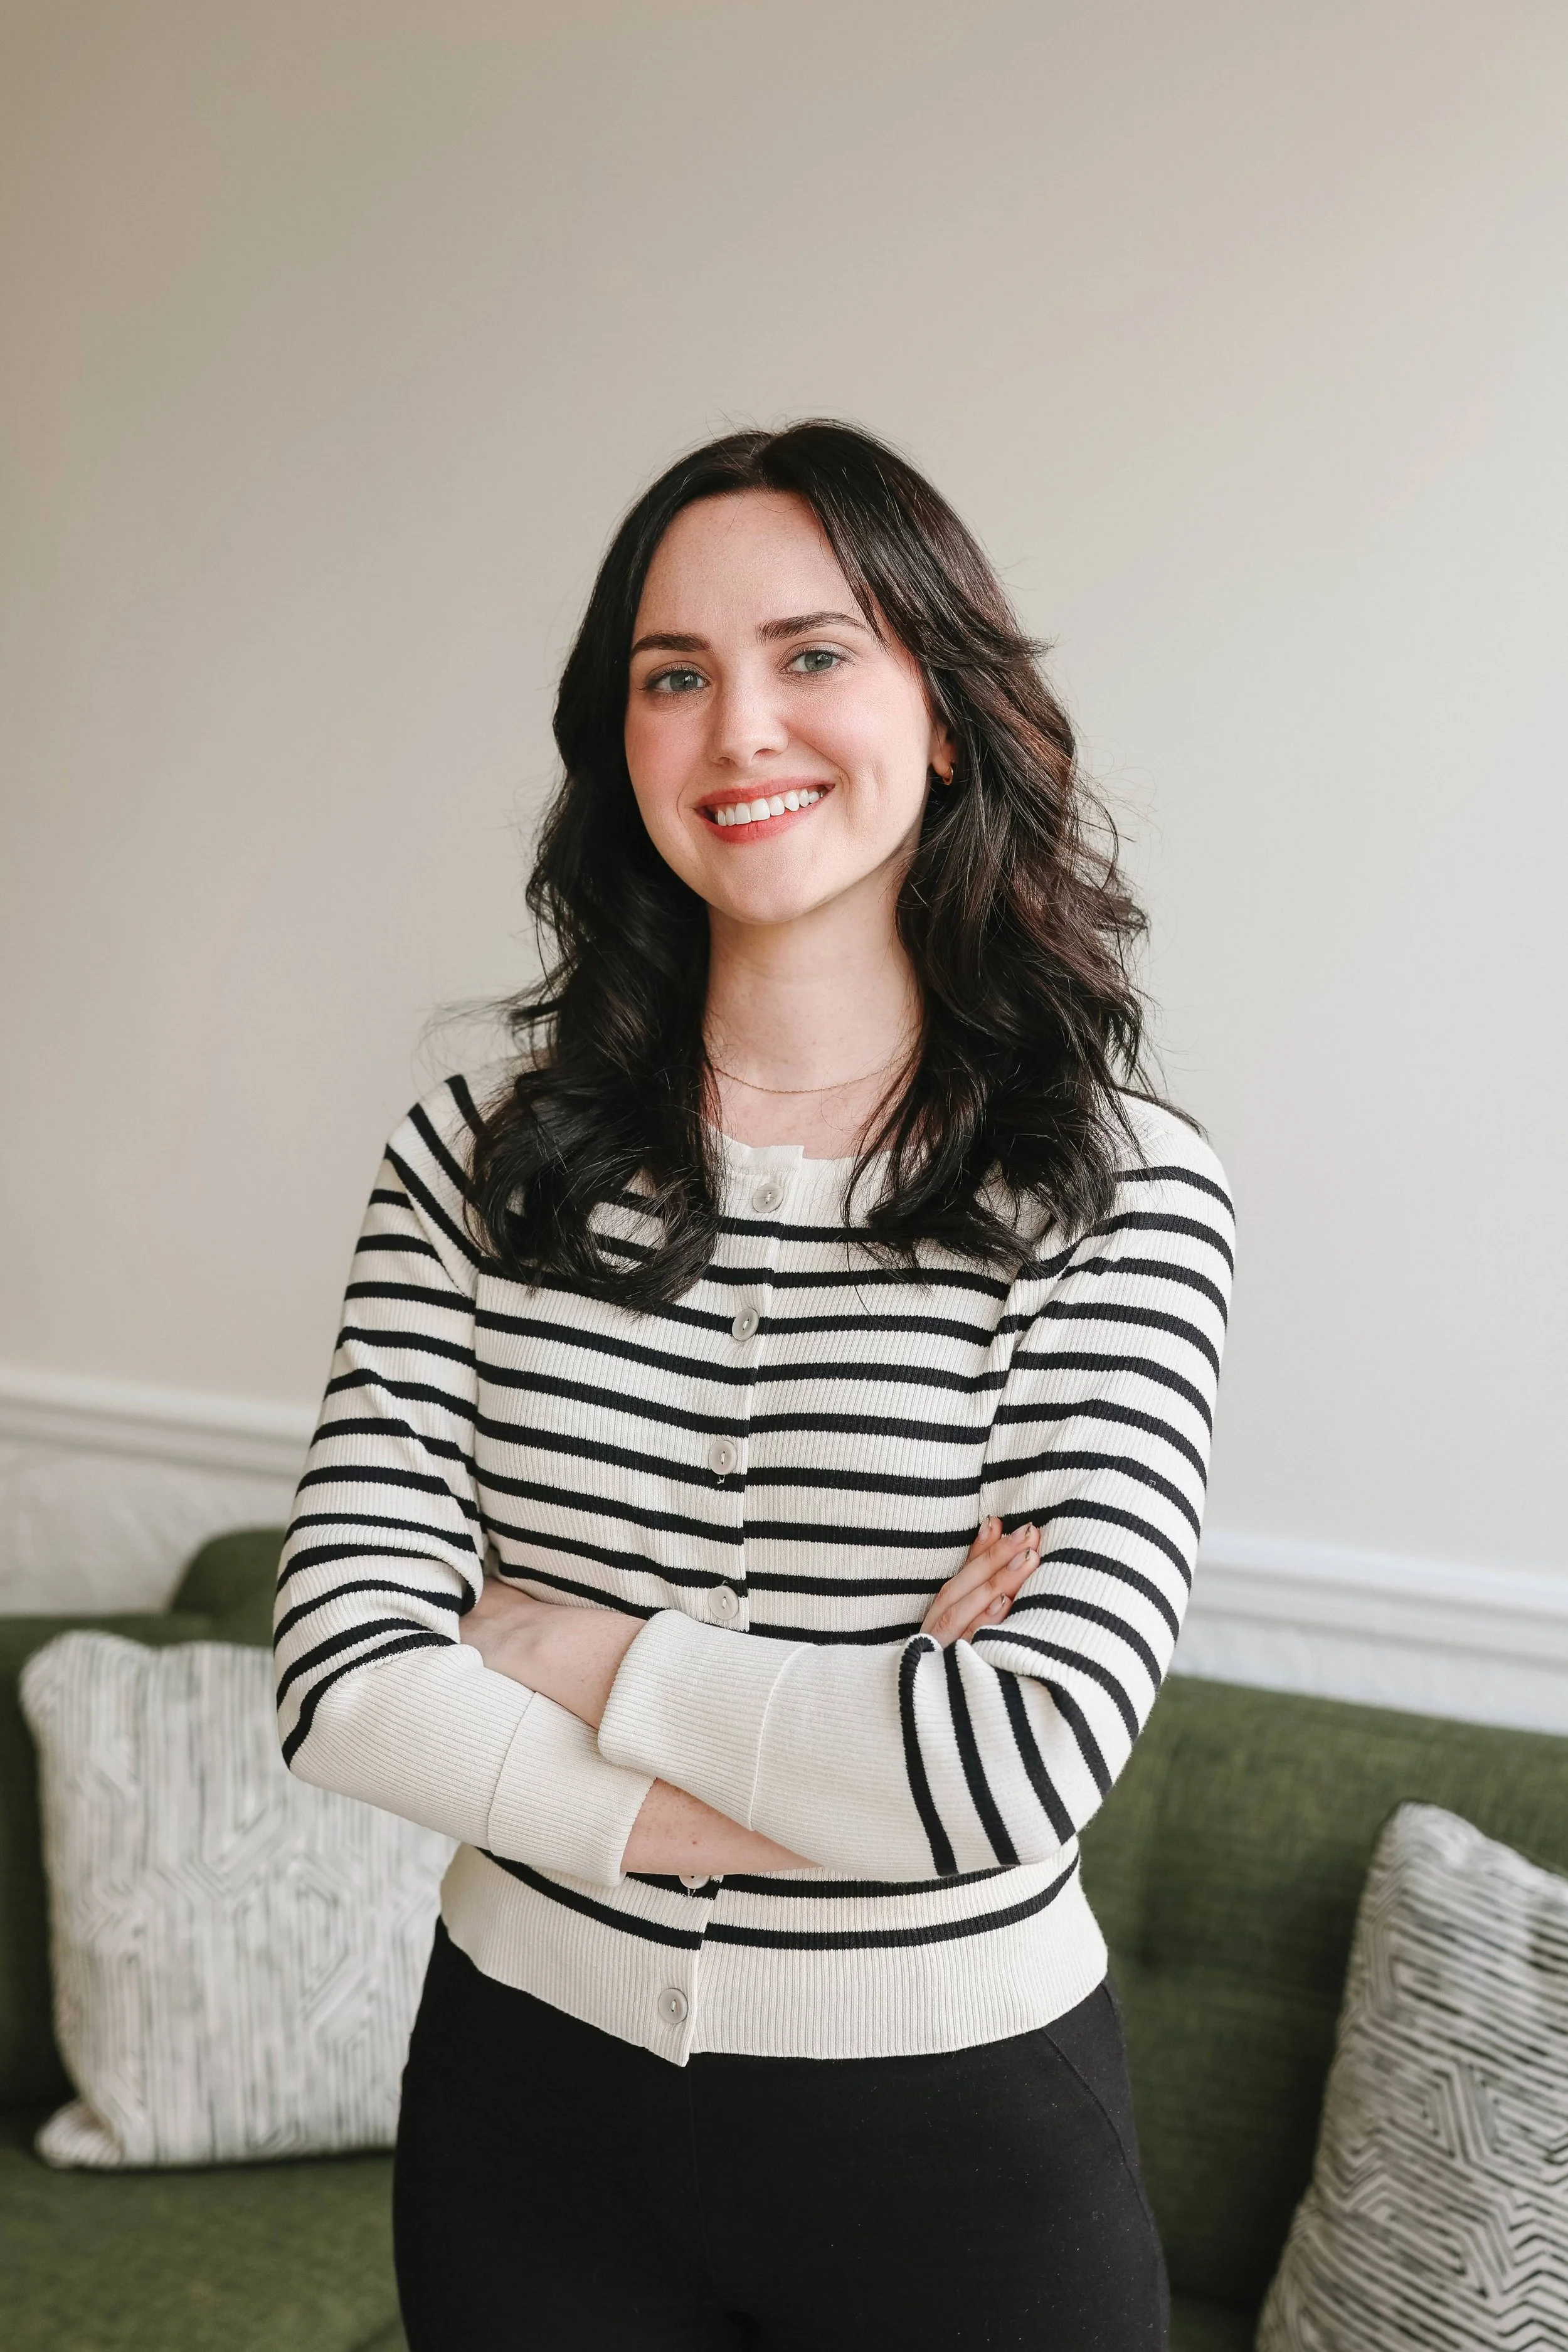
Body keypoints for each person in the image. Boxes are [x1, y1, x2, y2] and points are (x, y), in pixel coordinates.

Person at [274, 421, 1233, 2350]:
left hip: (955, 2138)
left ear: (943, 714)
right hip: (524, 2103)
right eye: (672, 674)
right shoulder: (479, 1156)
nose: (739, 731)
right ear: (614, 737)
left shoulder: (1106, 1188)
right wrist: (788, 1787)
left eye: (813, 654)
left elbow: (1015, 1759)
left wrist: (571, 1651)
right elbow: (339, 1674)